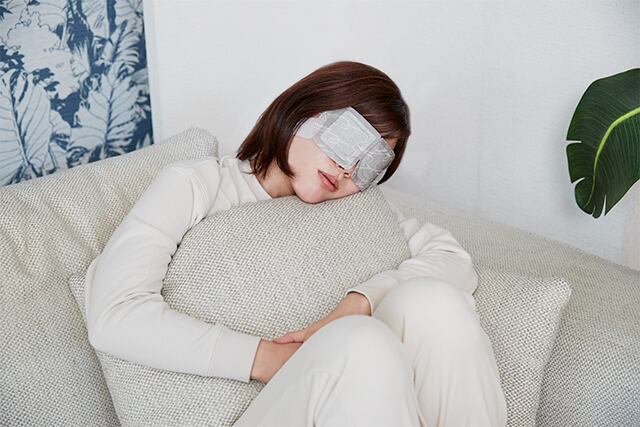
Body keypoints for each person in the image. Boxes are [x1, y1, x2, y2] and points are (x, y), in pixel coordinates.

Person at [84, 60, 507, 427]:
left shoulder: (354, 210)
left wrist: (359, 302)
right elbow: (114, 314)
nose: (348, 168)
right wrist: (266, 358)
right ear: (304, 111)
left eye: (372, 162)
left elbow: (453, 260)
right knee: (362, 343)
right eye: (348, 139)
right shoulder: (196, 186)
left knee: (435, 303)